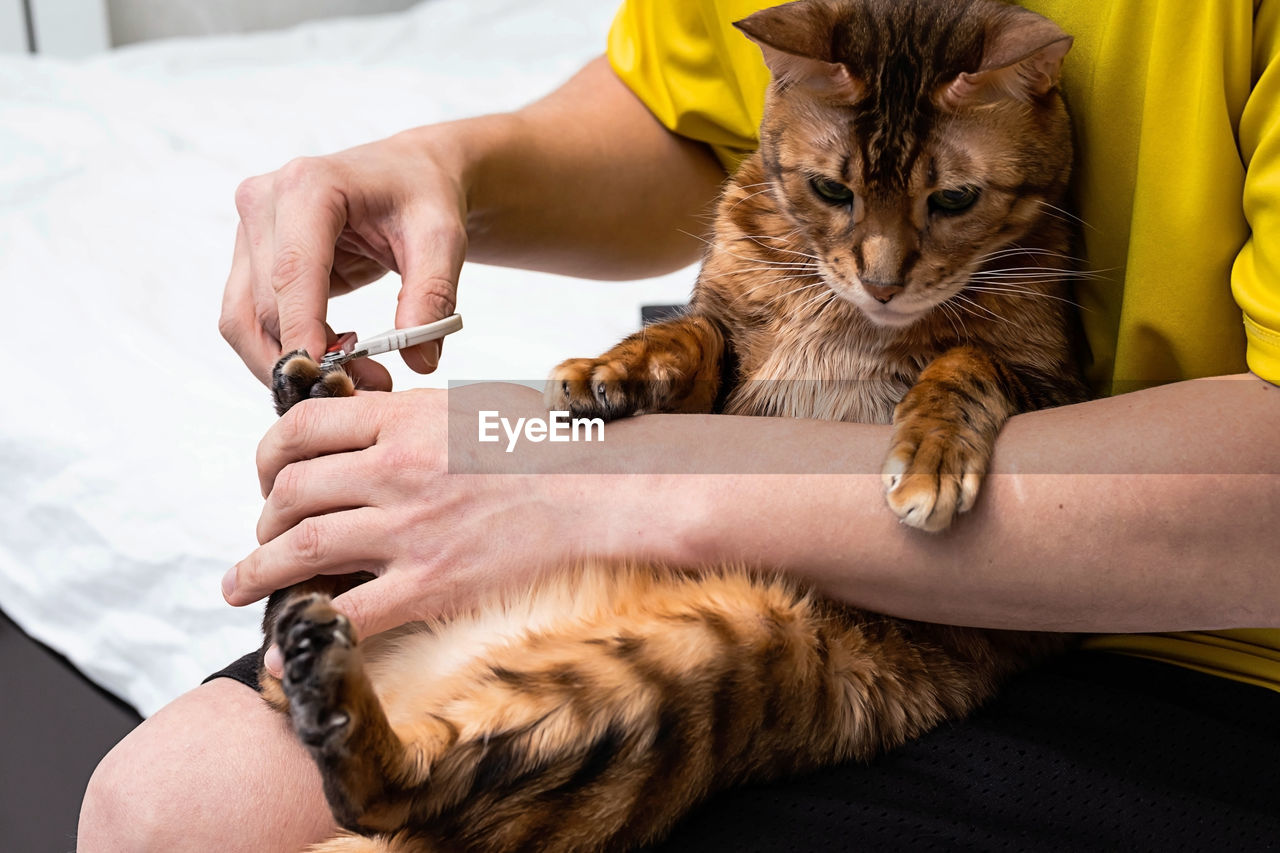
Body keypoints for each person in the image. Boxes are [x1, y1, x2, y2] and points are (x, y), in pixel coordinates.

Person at [78, 1, 1280, 850]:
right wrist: (440, 162)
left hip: (1184, 634)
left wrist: (614, 485)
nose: (878, 269)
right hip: (723, 472)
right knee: (169, 806)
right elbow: (679, 110)